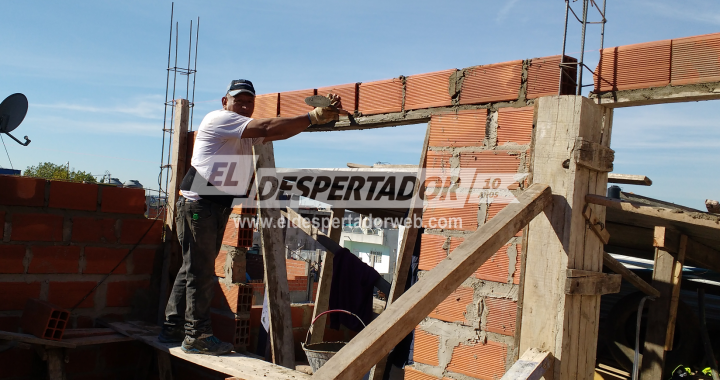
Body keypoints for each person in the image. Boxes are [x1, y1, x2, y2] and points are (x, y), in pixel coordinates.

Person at [158, 79, 342, 355]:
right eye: (239, 100)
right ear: (225, 102)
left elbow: (277, 133)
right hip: (200, 205)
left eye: (249, 102)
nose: (244, 106)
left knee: (192, 268)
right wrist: (311, 117)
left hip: (213, 206)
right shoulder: (220, 120)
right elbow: (268, 126)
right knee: (200, 271)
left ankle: (172, 327)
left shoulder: (245, 131)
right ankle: (197, 336)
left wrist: (310, 121)